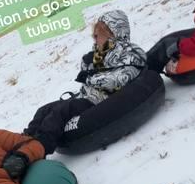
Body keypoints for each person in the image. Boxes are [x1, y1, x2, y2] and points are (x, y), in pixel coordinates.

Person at [23, 9, 147, 155]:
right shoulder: (100, 53)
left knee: (61, 111)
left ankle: (39, 148)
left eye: (97, 36)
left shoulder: (129, 51)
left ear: (112, 33)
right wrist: (87, 65)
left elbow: (122, 77)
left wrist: (90, 77)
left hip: (102, 100)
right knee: (44, 110)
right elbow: (91, 72)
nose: (94, 40)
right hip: (87, 95)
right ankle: (23, 141)